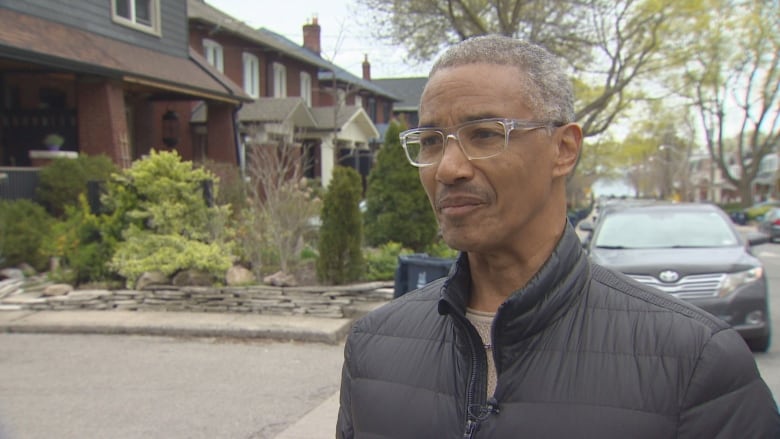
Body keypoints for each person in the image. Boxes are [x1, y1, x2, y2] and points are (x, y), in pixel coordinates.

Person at [336, 34, 780, 438]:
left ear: (564, 149)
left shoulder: (696, 362)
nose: (449, 168)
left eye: (485, 134)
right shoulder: (374, 345)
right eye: (431, 141)